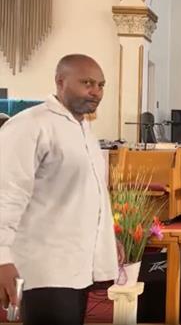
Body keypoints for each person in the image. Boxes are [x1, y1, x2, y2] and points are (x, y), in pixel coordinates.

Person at [0, 54, 119, 325]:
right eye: (87, 83)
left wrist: (107, 238)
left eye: (101, 85)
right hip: (44, 268)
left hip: (76, 267)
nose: (96, 92)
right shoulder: (31, 124)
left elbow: (87, 196)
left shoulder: (83, 129)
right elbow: (6, 194)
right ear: (60, 82)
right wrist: (2, 258)